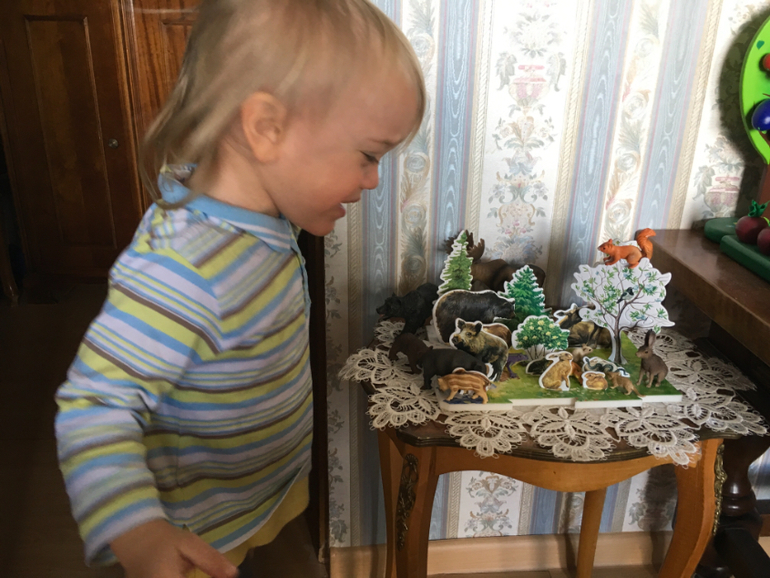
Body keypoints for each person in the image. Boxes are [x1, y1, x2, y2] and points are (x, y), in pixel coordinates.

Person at [54, 1, 425, 576]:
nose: (374, 180)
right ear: (266, 129)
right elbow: (94, 406)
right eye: (368, 155)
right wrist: (138, 530)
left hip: (245, 505)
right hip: (193, 537)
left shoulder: (264, 217)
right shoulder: (183, 268)